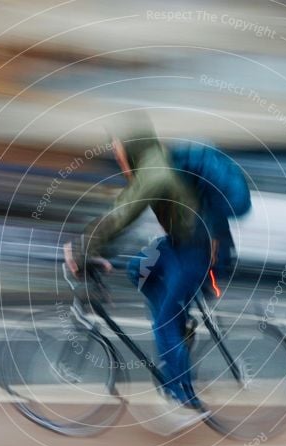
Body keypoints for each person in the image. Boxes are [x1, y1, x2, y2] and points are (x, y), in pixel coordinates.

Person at [64, 116, 248, 409]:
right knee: (139, 268)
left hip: (196, 249)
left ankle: (183, 399)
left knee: (164, 322)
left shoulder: (154, 173)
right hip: (179, 243)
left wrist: (84, 248)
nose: (115, 155)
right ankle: (180, 330)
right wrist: (98, 249)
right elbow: (123, 210)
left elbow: (124, 213)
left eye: (116, 148)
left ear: (128, 145)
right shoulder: (150, 168)